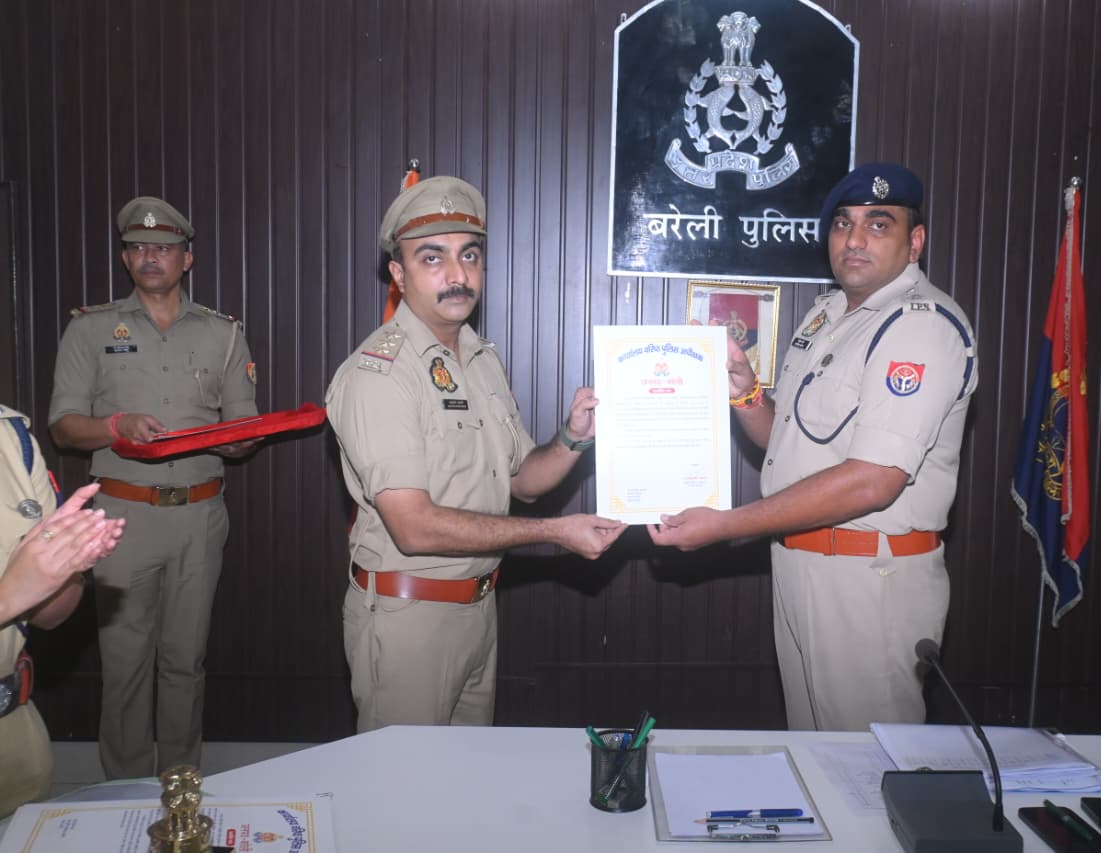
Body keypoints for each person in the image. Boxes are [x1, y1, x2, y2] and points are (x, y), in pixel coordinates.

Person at [649, 163, 978, 731]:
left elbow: (874, 480)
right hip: (802, 564)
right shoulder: (828, 315)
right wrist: (746, 394)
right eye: (843, 224)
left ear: (915, 242)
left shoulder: (920, 326)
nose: (855, 239)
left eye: (879, 224)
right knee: (816, 751)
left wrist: (726, 526)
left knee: (866, 764)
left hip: (867, 580)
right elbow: (788, 443)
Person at [326, 176, 626, 731]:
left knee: (464, 776)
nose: (458, 275)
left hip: (478, 608)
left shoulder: (479, 358)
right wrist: (555, 533)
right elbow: (414, 528)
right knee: (404, 781)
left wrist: (573, 437)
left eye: (469, 255)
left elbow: (522, 481)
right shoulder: (379, 375)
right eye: (432, 258)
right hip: (410, 619)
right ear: (398, 274)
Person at [47, 196, 260, 778]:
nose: (150, 256)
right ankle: (124, 789)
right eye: (138, 246)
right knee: (124, 666)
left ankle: (179, 788)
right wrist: (115, 427)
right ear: (124, 257)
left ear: (186, 259)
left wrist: (236, 442)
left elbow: (243, 427)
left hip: (198, 517)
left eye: (163, 248)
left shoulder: (222, 333)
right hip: (121, 516)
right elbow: (64, 426)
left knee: (186, 662)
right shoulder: (90, 329)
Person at [2, 403, 125, 817]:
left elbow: (49, 616)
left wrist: (69, 565)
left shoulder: (12, 436)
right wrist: (8, 598)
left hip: (16, 741)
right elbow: (14, 597)